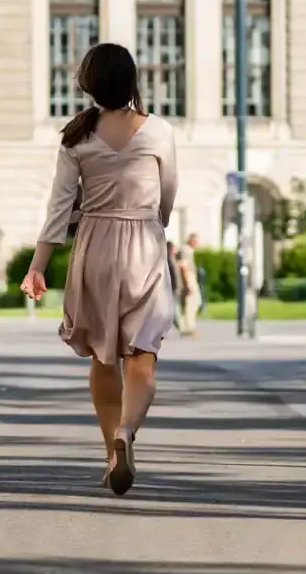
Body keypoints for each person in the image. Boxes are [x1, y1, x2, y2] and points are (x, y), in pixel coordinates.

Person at [20, 42, 177, 497]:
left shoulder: (76, 137)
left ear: (88, 84)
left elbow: (59, 208)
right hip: (143, 244)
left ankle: (111, 453)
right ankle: (128, 431)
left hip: (94, 248)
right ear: (133, 82)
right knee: (142, 359)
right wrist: (153, 223)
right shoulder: (159, 131)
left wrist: (38, 267)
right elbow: (167, 196)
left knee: (103, 357)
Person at [175, 233, 201, 337]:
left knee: (192, 303)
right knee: (191, 303)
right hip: (189, 278)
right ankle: (188, 327)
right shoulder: (185, 251)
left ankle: (186, 326)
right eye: (196, 241)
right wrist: (188, 283)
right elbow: (184, 267)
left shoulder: (188, 250)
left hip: (190, 277)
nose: (197, 243)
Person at [167, 241, 185, 331]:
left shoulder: (173, 259)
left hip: (176, 288)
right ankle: (180, 327)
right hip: (172, 288)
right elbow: (172, 275)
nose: (176, 250)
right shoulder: (168, 260)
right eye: (174, 248)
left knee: (174, 307)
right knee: (174, 308)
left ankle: (179, 326)